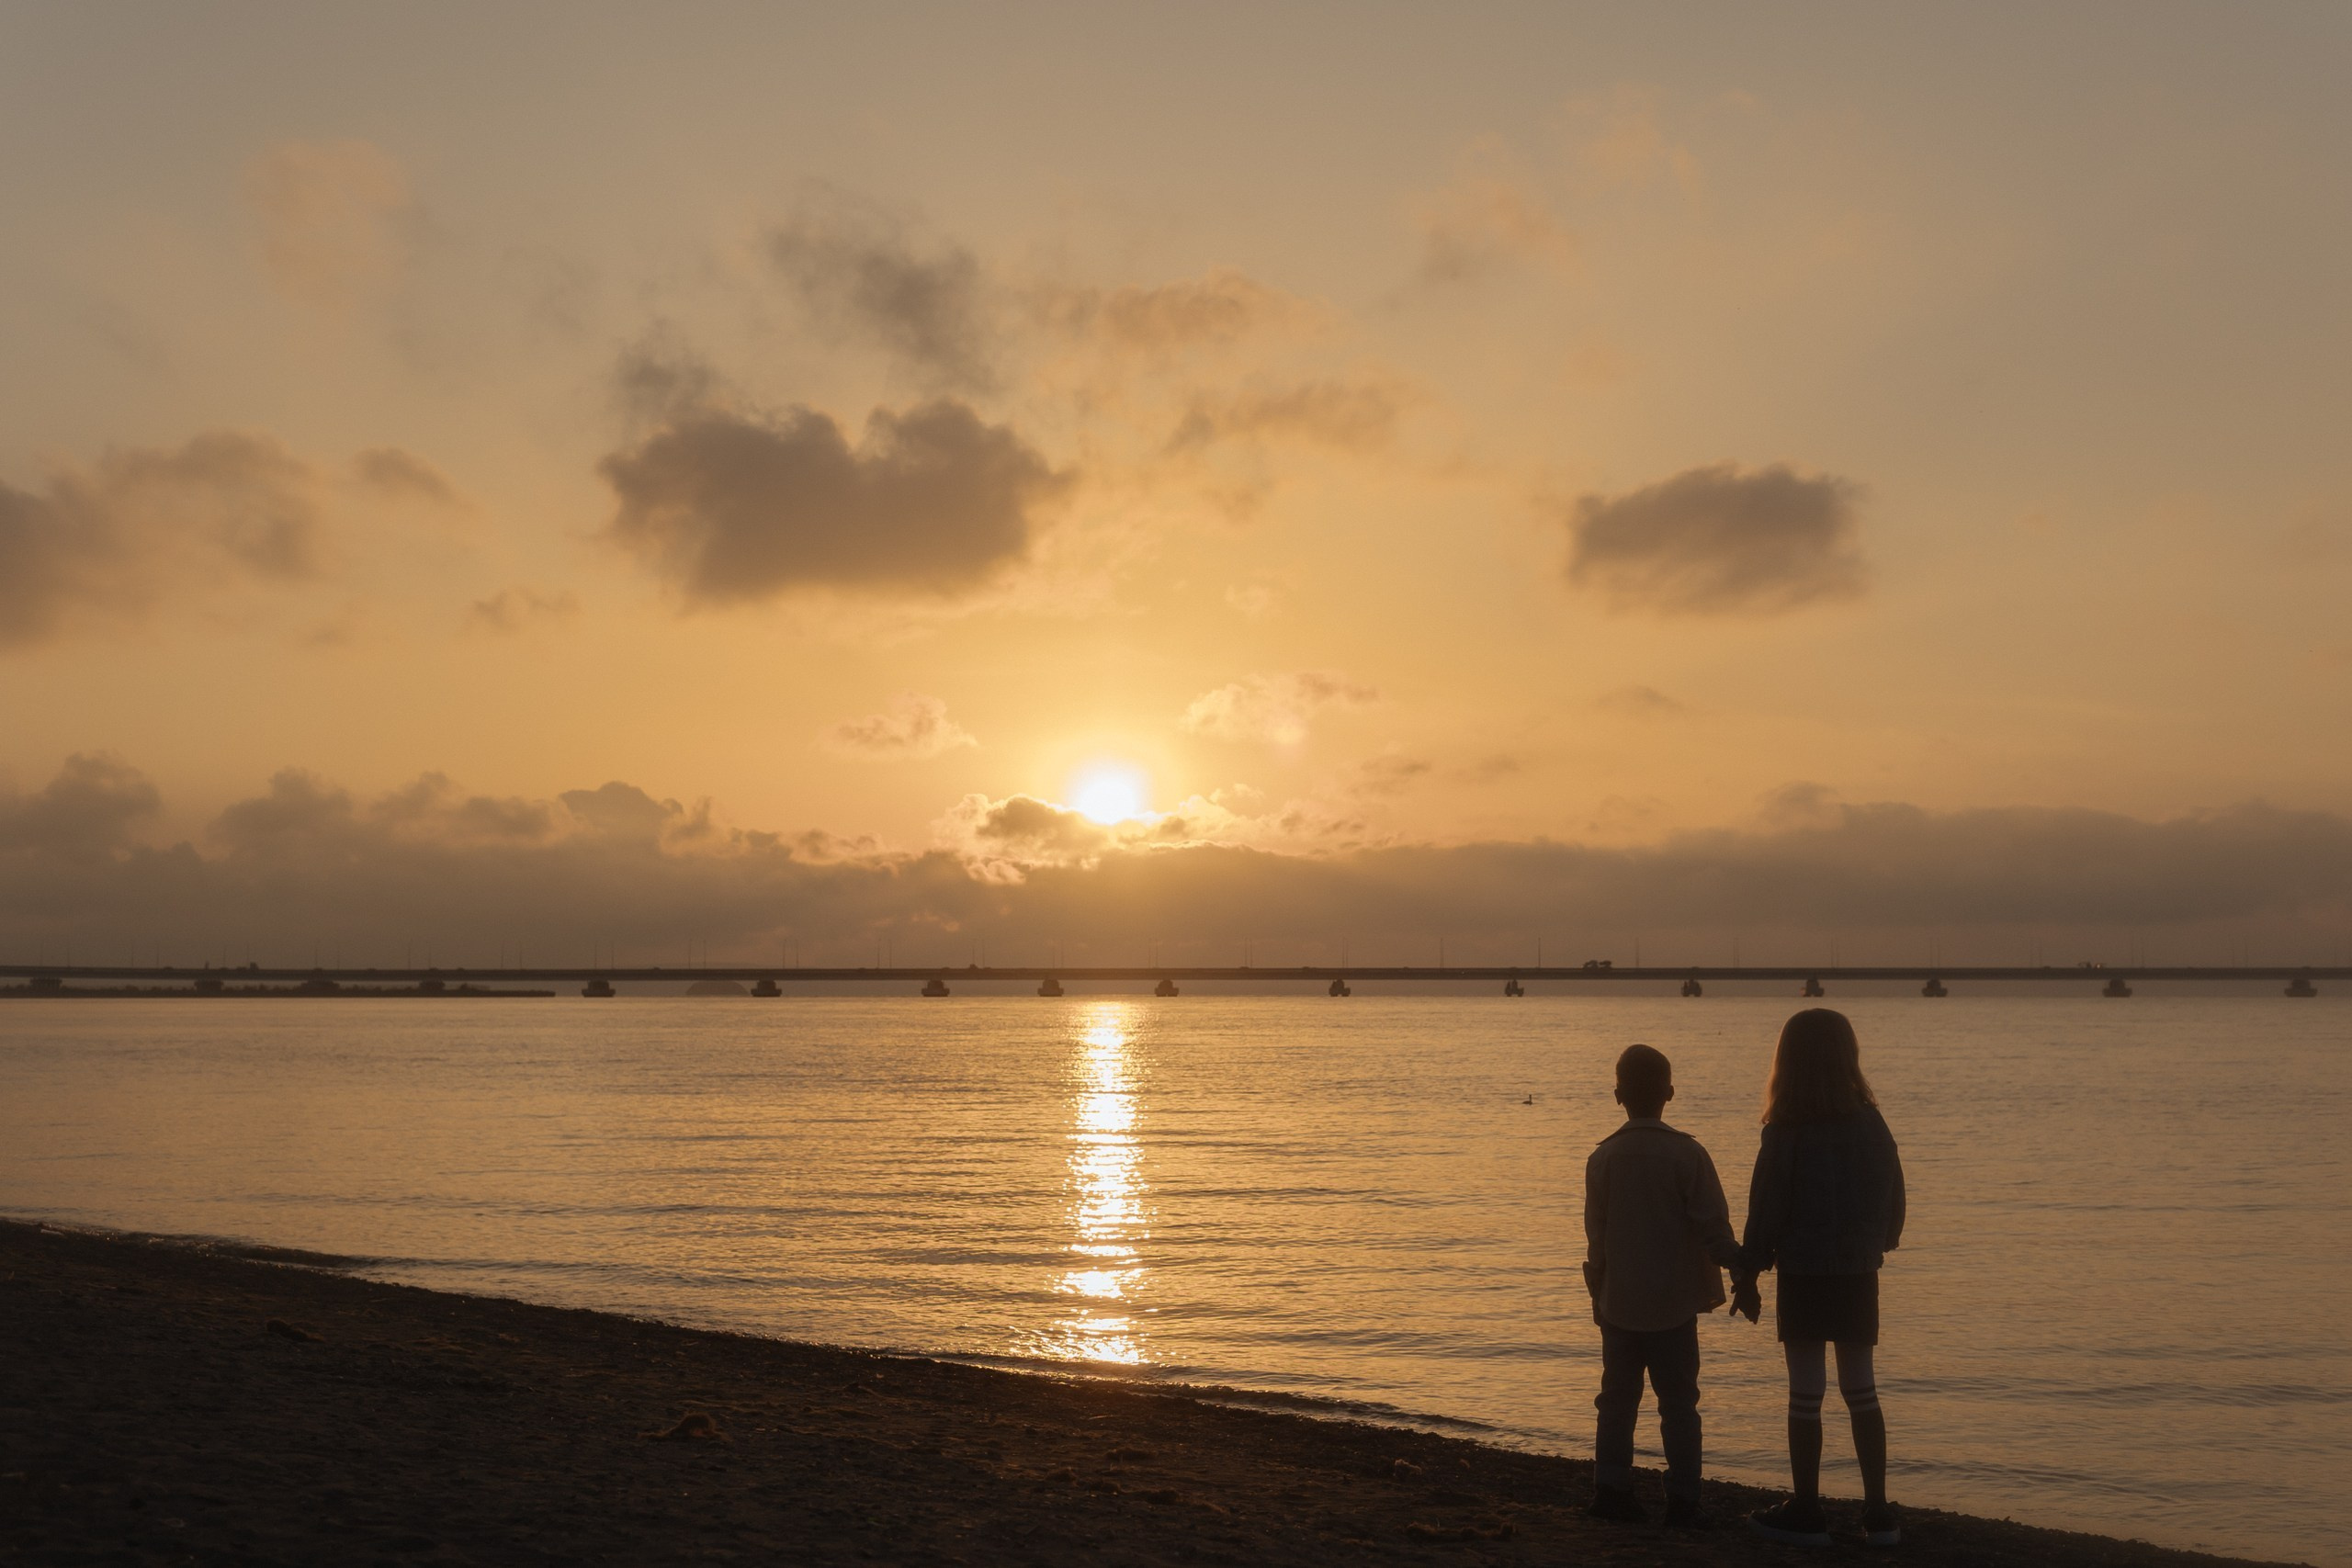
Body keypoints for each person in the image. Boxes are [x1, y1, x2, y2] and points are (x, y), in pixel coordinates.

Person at [1736, 1009, 1907, 1548]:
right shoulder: (1871, 1121)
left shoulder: (1785, 1129)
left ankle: (1808, 1508)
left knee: (1805, 1393)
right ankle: (1878, 1512)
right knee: (1862, 1389)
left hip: (1805, 1270)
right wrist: (1879, 1239)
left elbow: (1766, 1208)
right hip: (1858, 1269)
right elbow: (1893, 1195)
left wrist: (1748, 1271)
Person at [1581, 1043, 1749, 1528]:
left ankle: (1610, 1488)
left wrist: (1598, 1290)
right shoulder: (1688, 1153)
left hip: (1619, 1301)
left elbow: (1598, 1235)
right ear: (1669, 1093)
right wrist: (1741, 1268)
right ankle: (1683, 1498)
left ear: (1618, 1095)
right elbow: (1713, 1227)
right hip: (1673, 1303)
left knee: (1616, 1399)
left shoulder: (1603, 1158)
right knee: (1679, 1404)